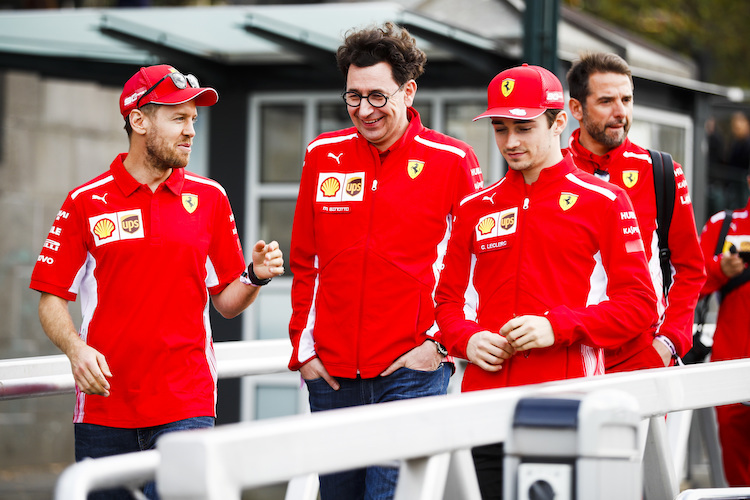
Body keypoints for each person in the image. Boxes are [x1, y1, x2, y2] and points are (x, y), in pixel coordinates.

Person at [29, 64, 284, 500]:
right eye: (178, 118)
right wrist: (76, 349)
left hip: (187, 404)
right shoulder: (85, 202)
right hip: (104, 407)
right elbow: (51, 297)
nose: (190, 131)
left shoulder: (210, 198)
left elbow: (225, 301)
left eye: (193, 121)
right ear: (139, 120)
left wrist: (254, 276)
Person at [434, 64, 657, 499]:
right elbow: (445, 302)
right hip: (482, 408)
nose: (511, 142)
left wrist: (558, 326)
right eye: (500, 129)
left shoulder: (607, 201)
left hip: (568, 405)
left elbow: (640, 306)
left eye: (524, 127)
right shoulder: (473, 207)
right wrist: (467, 339)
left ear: (558, 122)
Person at [288, 22, 483, 499]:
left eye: (377, 96)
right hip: (332, 377)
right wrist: (303, 349)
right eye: (353, 97)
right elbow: (305, 260)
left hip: (411, 371)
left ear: (408, 90)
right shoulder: (322, 154)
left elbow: (475, 266)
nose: (364, 110)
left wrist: (440, 345)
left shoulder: (452, 159)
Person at [565, 52, 705, 372]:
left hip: (642, 356)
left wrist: (667, 343)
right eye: (606, 101)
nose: (620, 112)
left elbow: (690, 269)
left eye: (626, 99)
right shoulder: (551, 171)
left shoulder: (661, 171)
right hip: (567, 354)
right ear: (576, 109)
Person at [698, 174, 750, 486]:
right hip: (732, 365)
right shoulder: (723, 224)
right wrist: (720, 269)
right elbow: (688, 285)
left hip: (732, 365)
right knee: (737, 469)